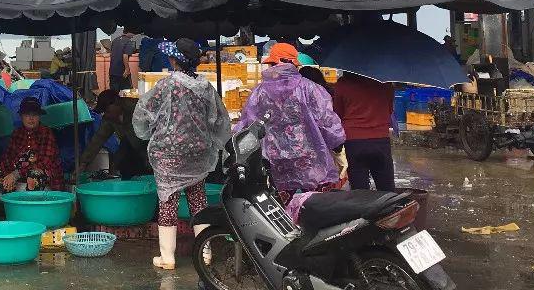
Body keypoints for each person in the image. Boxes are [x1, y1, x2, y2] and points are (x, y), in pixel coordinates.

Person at [133, 38, 232, 271]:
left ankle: (167, 257)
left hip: (169, 155)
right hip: (198, 154)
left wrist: (148, 132)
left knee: (168, 201)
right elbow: (219, 120)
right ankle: (205, 252)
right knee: (199, 201)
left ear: (174, 60)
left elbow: (145, 112)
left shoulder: (167, 86)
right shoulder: (206, 88)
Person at [236, 42, 346, 218]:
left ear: (272, 64)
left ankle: (288, 240)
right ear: (294, 64)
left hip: (277, 162)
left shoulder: (259, 93)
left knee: (282, 212)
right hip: (310, 160)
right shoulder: (310, 88)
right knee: (315, 208)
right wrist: (337, 145)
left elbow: (248, 124)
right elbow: (326, 120)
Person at [0, 99, 64, 194]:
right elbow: (7, 157)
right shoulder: (17, 133)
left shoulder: (46, 133)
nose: (31, 118)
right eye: (27, 115)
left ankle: (28, 207)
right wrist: (8, 175)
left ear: (39, 117)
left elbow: (44, 163)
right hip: (17, 174)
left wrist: (17, 174)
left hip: (43, 175)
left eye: (34, 115)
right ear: (21, 116)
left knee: (34, 172)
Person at [330, 71, 396, 191]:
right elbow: (390, 110)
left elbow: (337, 114)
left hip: (354, 142)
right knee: (387, 190)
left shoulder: (343, 84)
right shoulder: (386, 84)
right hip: (380, 140)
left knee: (359, 191)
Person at [79, 89, 150, 178]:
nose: (106, 115)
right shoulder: (109, 119)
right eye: (104, 112)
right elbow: (97, 140)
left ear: (116, 102)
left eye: (108, 111)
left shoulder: (138, 108)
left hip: (149, 148)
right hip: (130, 150)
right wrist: (83, 163)